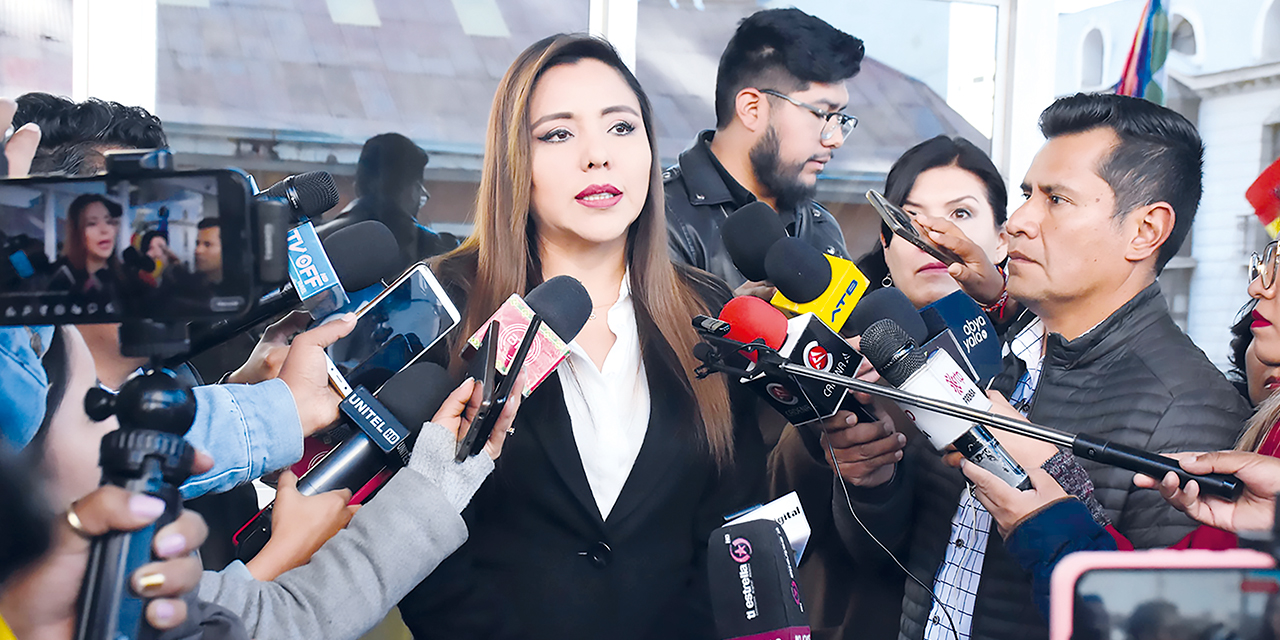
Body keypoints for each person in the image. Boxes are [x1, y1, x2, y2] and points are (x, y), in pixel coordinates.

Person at [831, 93, 1250, 640]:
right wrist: (873, 484)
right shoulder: (983, 346)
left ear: (1145, 230)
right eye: (1027, 194)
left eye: (1056, 200)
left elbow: (1158, 624)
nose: (1019, 222)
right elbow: (903, 555)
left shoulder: (1192, 411)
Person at [396, 34, 766, 639]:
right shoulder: (444, 304)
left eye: (621, 128)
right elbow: (416, 536)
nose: (598, 156)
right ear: (516, 160)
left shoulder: (707, 308)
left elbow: (731, 515)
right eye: (558, 134)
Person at [768, 135, 1015, 640]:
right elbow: (782, 517)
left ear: (1003, 239)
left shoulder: (1029, 358)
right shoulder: (817, 343)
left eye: (961, 215)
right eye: (910, 219)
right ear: (885, 241)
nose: (932, 237)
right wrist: (828, 415)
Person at [665, 8, 863, 290]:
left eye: (839, 118)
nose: (835, 139)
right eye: (821, 113)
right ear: (752, 109)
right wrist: (730, 319)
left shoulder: (821, 226)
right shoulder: (659, 217)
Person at [315, 132, 459, 271]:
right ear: (412, 190)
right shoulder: (440, 252)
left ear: (358, 185)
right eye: (419, 191)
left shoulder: (310, 245)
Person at [48, 193, 126, 303]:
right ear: (77, 231)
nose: (104, 230)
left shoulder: (126, 278)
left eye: (109, 222)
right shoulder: (60, 278)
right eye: (92, 223)